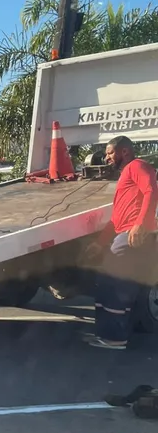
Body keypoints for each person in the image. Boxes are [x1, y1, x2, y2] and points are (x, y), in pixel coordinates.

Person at [83, 136, 158, 350]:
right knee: (113, 285)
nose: (106, 157)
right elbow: (116, 217)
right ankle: (110, 336)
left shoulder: (137, 166)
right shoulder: (126, 176)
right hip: (124, 233)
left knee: (113, 285)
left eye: (109, 152)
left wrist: (140, 225)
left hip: (132, 235)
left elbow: (152, 191)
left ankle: (114, 339)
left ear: (124, 152)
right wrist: (100, 243)